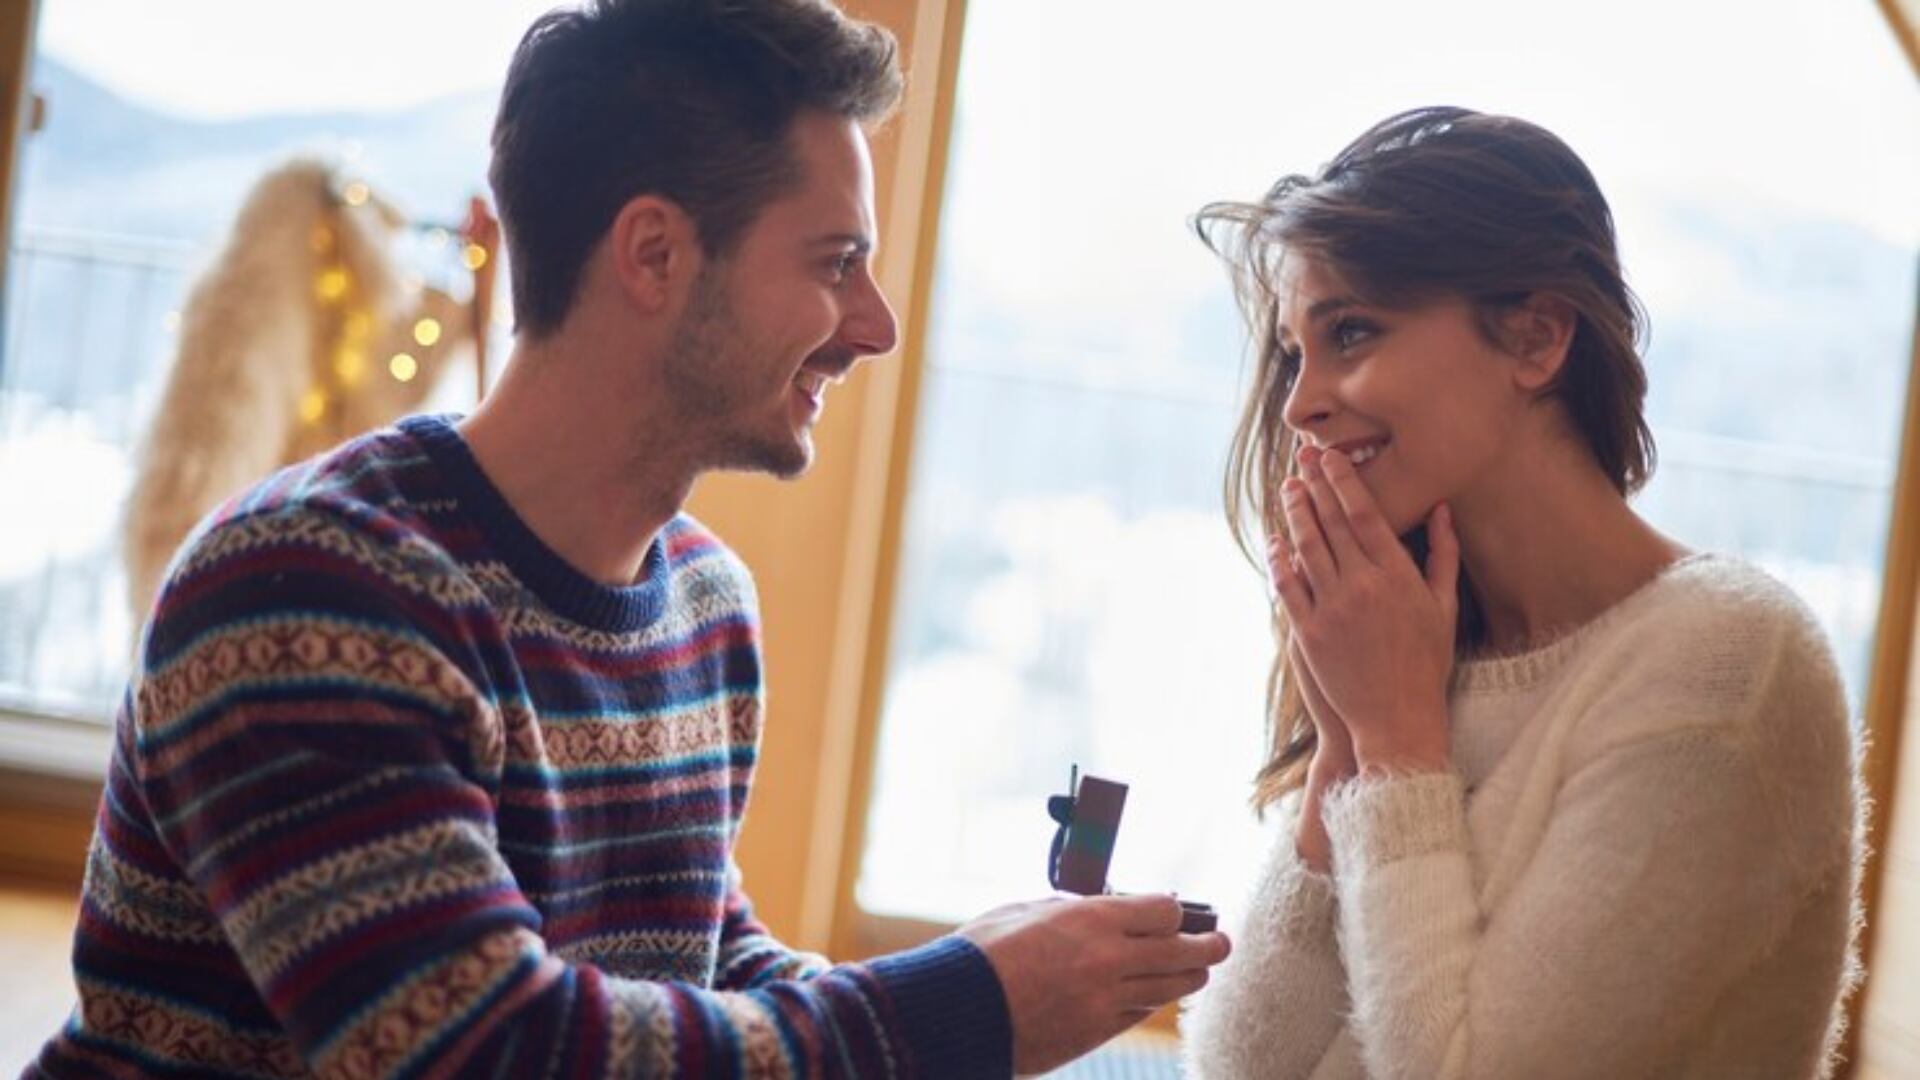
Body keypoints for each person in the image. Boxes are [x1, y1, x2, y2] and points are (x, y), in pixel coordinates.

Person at [25, 2, 1229, 1076]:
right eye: (836, 263)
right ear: (654, 253)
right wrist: (964, 1011)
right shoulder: (310, 590)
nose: (876, 326)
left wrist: (998, 969)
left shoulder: (705, 602)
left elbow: (699, 965)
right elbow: (496, 1050)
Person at [1179, 107, 1859, 1079]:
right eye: (1296, 353)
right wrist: (1343, 754)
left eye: (1354, 331)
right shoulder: (1413, 648)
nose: (1300, 404)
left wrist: (1400, 750)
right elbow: (1243, 1071)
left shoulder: (1731, 666)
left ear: (1537, 338)